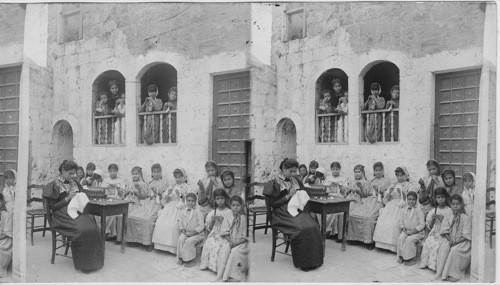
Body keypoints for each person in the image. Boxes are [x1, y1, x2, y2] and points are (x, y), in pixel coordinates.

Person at [263, 158, 323, 271]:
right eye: (291, 171)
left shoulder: (295, 180)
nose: (293, 174)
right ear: (283, 169)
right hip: (281, 213)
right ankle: (304, 262)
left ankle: (314, 260)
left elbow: (304, 192)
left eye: (295, 171)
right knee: (301, 228)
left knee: (313, 225)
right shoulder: (274, 183)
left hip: (296, 209)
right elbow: (273, 204)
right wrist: (288, 196)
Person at [42, 160, 103, 273]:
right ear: (63, 171)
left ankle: (94, 262)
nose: (73, 176)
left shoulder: (74, 182)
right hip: (60, 215)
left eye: (74, 173)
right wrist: (67, 198)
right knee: (81, 230)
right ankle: (85, 265)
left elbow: (82, 194)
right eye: (70, 173)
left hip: (75, 211)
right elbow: (53, 207)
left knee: (92, 227)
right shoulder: (54, 185)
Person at [374, 167, 416, 252]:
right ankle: (383, 244)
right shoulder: (394, 184)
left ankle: (394, 247)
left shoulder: (410, 185)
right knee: (382, 222)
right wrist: (389, 192)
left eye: (402, 175)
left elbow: (411, 200)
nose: (400, 177)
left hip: (403, 205)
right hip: (393, 205)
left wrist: (403, 193)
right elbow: (387, 200)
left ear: (406, 175)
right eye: (398, 176)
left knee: (394, 224)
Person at [152, 168, 193, 253]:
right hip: (171, 206)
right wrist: (168, 193)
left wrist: (181, 194)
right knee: (161, 223)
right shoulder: (173, 186)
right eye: (176, 177)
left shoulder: (188, 187)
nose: (178, 179)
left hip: (181, 207)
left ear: (184, 177)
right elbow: (165, 201)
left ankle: (173, 248)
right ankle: (161, 246)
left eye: (180, 177)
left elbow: (189, 201)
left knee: (173, 226)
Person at [341, 164, 381, 249]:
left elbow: (365, 195)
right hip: (352, 200)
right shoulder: (352, 181)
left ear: (363, 173)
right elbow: (347, 192)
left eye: (359, 172)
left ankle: (367, 240)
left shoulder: (366, 182)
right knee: (348, 214)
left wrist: (360, 188)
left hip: (361, 201)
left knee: (366, 217)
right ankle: (353, 238)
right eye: (355, 172)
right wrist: (346, 191)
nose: (357, 174)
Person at [435, 194, 471, 282]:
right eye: (453, 204)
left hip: (462, 241)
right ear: (450, 204)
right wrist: (450, 240)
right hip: (450, 239)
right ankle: (442, 272)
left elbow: (466, 235)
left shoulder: (466, 217)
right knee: (444, 248)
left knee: (454, 251)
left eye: (457, 204)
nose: (455, 206)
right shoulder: (448, 214)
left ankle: (455, 274)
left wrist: (455, 242)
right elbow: (445, 229)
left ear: (461, 205)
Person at [124, 166, 161, 251]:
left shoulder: (146, 183)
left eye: (137, 173)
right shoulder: (149, 183)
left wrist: (155, 193)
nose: (135, 175)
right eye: (133, 174)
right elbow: (144, 197)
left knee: (147, 219)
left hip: (155, 202)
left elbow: (143, 196)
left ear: (140, 174)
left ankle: (148, 242)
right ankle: (134, 239)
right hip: (145, 202)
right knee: (131, 216)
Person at [199, 189, 233, 281]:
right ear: (215, 200)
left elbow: (231, 226)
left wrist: (223, 221)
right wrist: (213, 221)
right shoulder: (213, 211)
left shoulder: (229, 211)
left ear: (225, 199)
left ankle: (217, 269)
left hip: (224, 234)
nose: (220, 201)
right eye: (218, 199)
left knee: (218, 247)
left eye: (222, 198)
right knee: (209, 243)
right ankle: (208, 265)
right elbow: (209, 228)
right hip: (215, 233)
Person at [419, 188, 453, 271]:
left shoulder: (449, 211)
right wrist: (433, 220)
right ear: (435, 199)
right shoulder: (433, 211)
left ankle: (434, 266)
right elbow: (429, 227)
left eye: (442, 197)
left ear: (446, 198)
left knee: (436, 245)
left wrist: (443, 220)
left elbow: (451, 225)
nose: (440, 199)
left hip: (444, 234)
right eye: (438, 197)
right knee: (428, 242)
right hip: (434, 232)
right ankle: (426, 263)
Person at [222, 196, 249, 282]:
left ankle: (235, 276)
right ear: (230, 206)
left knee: (235, 252)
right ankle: (224, 273)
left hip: (241, 241)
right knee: (224, 249)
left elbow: (246, 236)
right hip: (230, 239)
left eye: (238, 205)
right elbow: (224, 230)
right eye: (233, 205)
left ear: (242, 206)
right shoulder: (228, 215)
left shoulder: (244, 218)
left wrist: (236, 243)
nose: (236, 207)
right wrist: (230, 241)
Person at [396, 191, 425, 266]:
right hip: (407, 231)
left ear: (416, 200)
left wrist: (413, 231)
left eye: (413, 199)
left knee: (409, 240)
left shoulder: (419, 211)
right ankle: (401, 256)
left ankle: (411, 258)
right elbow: (401, 221)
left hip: (418, 233)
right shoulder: (404, 210)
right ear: (406, 200)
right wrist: (403, 228)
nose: (411, 201)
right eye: (409, 199)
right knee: (401, 238)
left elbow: (422, 224)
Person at [176, 193, 205, 267]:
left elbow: (201, 226)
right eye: (188, 201)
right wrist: (183, 230)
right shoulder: (183, 211)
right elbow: (180, 222)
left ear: (195, 202)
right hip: (186, 232)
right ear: (186, 201)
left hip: (197, 233)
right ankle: (181, 257)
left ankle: (191, 260)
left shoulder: (198, 212)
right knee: (181, 239)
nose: (190, 202)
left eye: (192, 201)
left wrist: (192, 233)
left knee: (189, 241)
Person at [100, 164, 127, 243]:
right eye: (111, 171)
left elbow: (123, 194)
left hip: (117, 201)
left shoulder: (120, 181)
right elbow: (102, 191)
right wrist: (107, 188)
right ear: (108, 172)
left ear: (117, 172)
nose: (112, 173)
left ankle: (112, 235)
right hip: (107, 201)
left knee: (115, 215)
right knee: (103, 215)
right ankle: (106, 233)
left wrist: (118, 189)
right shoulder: (105, 180)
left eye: (114, 171)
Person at [325, 162, 347, 240]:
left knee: (340, 214)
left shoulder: (343, 179)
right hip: (329, 199)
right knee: (328, 213)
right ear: (331, 170)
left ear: (339, 169)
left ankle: (339, 236)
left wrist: (340, 186)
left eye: (336, 169)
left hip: (339, 200)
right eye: (333, 169)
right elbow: (324, 190)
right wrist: (329, 186)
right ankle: (327, 231)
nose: (335, 171)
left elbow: (345, 193)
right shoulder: (328, 178)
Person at [0, 193, 12, 278]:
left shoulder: (6, 215)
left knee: (3, 247)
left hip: (4, 238)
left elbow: (6, 233)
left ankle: (1, 269)